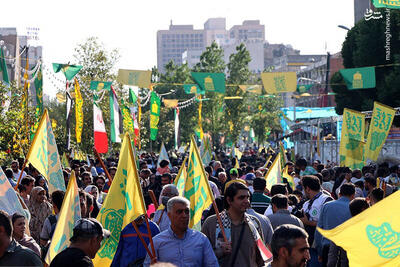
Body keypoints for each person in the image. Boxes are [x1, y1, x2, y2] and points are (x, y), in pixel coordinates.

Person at [202, 182, 265, 267]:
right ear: (229, 200)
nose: (246, 201)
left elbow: (260, 255)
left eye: (248, 197)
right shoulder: (211, 223)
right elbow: (201, 255)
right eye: (241, 198)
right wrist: (219, 252)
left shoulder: (254, 223)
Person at [144, 196, 218, 267]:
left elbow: (212, 264)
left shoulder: (201, 240)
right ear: (169, 215)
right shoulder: (157, 243)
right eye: (179, 212)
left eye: (186, 211)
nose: (184, 215)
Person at [314, 183, 355, 266]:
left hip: (327, 248)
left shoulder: (327, 206)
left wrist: (319, 251)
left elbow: (318, 231)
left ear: (339, 194)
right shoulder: (354, 208)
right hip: (347, 249)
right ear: (353, 195)